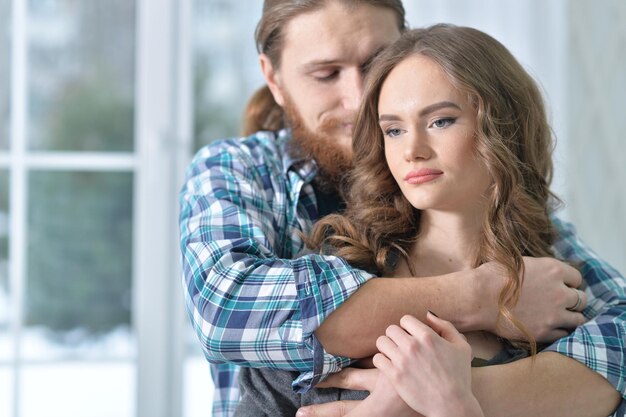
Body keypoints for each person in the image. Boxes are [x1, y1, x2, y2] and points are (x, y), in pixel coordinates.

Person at [178, 1, 626, 416]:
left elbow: (619, 331)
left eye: (374, 64)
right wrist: (488, 297)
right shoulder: (242, 171)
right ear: (274, 79)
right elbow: (227, 307)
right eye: (326, 73)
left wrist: (438, 397)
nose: (359, 99)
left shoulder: (525, 243)